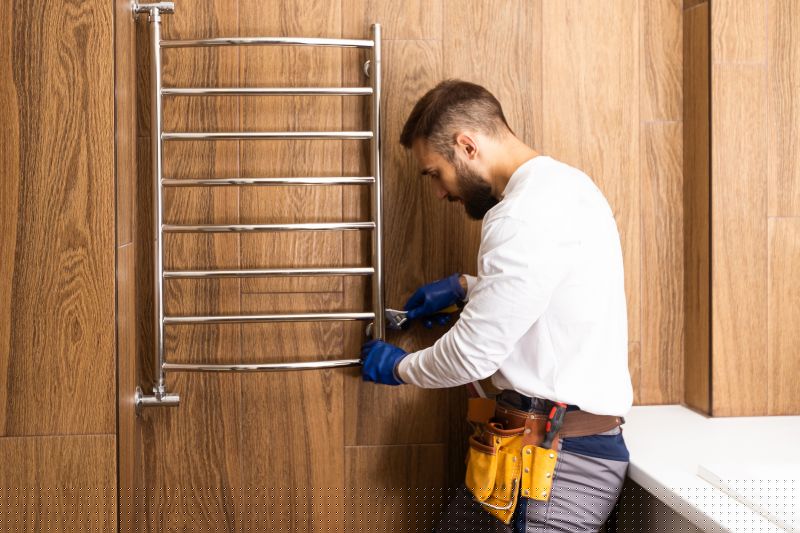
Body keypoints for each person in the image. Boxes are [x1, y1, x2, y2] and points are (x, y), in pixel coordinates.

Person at [361, 79, 633, 533]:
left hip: (551, 468)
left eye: (434, 173)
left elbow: (472, 355)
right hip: (536, 453)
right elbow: (550, 290)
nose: (439, 192)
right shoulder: (567, 185)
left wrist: (399, 367)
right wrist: (469, 287)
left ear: (466, 145)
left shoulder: (520, 215)